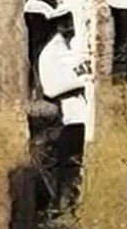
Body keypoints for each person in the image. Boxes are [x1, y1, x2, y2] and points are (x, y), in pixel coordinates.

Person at [35, 12, 93, 205]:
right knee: (70, 174)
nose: (68, 25)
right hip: (74, 121)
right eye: (64, 22)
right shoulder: (51, 53)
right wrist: (83, 79)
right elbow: (52, 88)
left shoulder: (82, 45)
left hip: (92, 119)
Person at [6, 111, 60, 229]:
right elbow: (47, 200)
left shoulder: (31, 173)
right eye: (44, 145)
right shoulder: (27, 174)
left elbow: (46, 201)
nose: (46, 152)